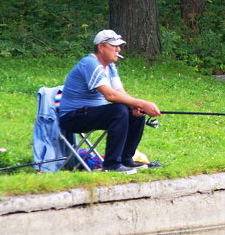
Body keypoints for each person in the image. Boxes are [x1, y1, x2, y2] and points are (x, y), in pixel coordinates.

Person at [58, 29, 161, 172]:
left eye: (119, 46)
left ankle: (126, 159)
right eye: (114, 46)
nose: (118, 49)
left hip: (92, 114)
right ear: (101, 47)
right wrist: (142, 103)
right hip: (72, 117)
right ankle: (112, 164)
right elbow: (110, 96)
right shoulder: (90, 63)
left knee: (135, 112)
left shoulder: (110, 67)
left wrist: (136, 106)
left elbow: (120, 92)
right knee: (119, 110)